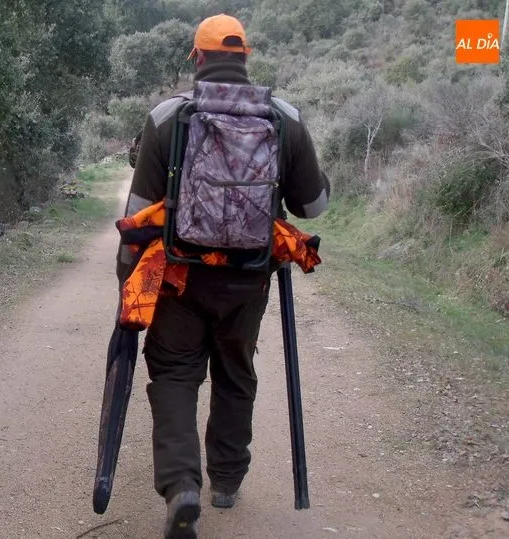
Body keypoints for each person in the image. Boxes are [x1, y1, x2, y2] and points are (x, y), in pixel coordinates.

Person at [116, 14, 330, 537]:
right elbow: (314, 207)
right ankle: (227, 481)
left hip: (180, 277)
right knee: (236, 371)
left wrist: (127, 280)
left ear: (197, 58)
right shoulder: (284, 117)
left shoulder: (168, 116)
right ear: (245, 56)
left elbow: (138, 213)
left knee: (174, 372)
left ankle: (181, 485)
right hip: (248, 278)